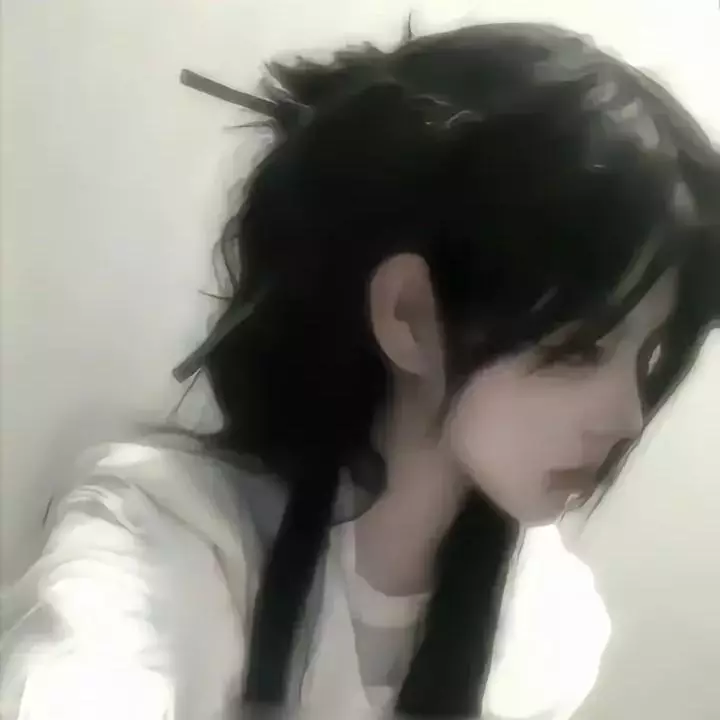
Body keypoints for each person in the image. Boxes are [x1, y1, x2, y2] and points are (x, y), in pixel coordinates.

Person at [1, 21, 718, 720]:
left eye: (651, 359)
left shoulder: (550, 620)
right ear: (408, 315)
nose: (628, 416)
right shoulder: (168, 534)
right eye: (580, 349)